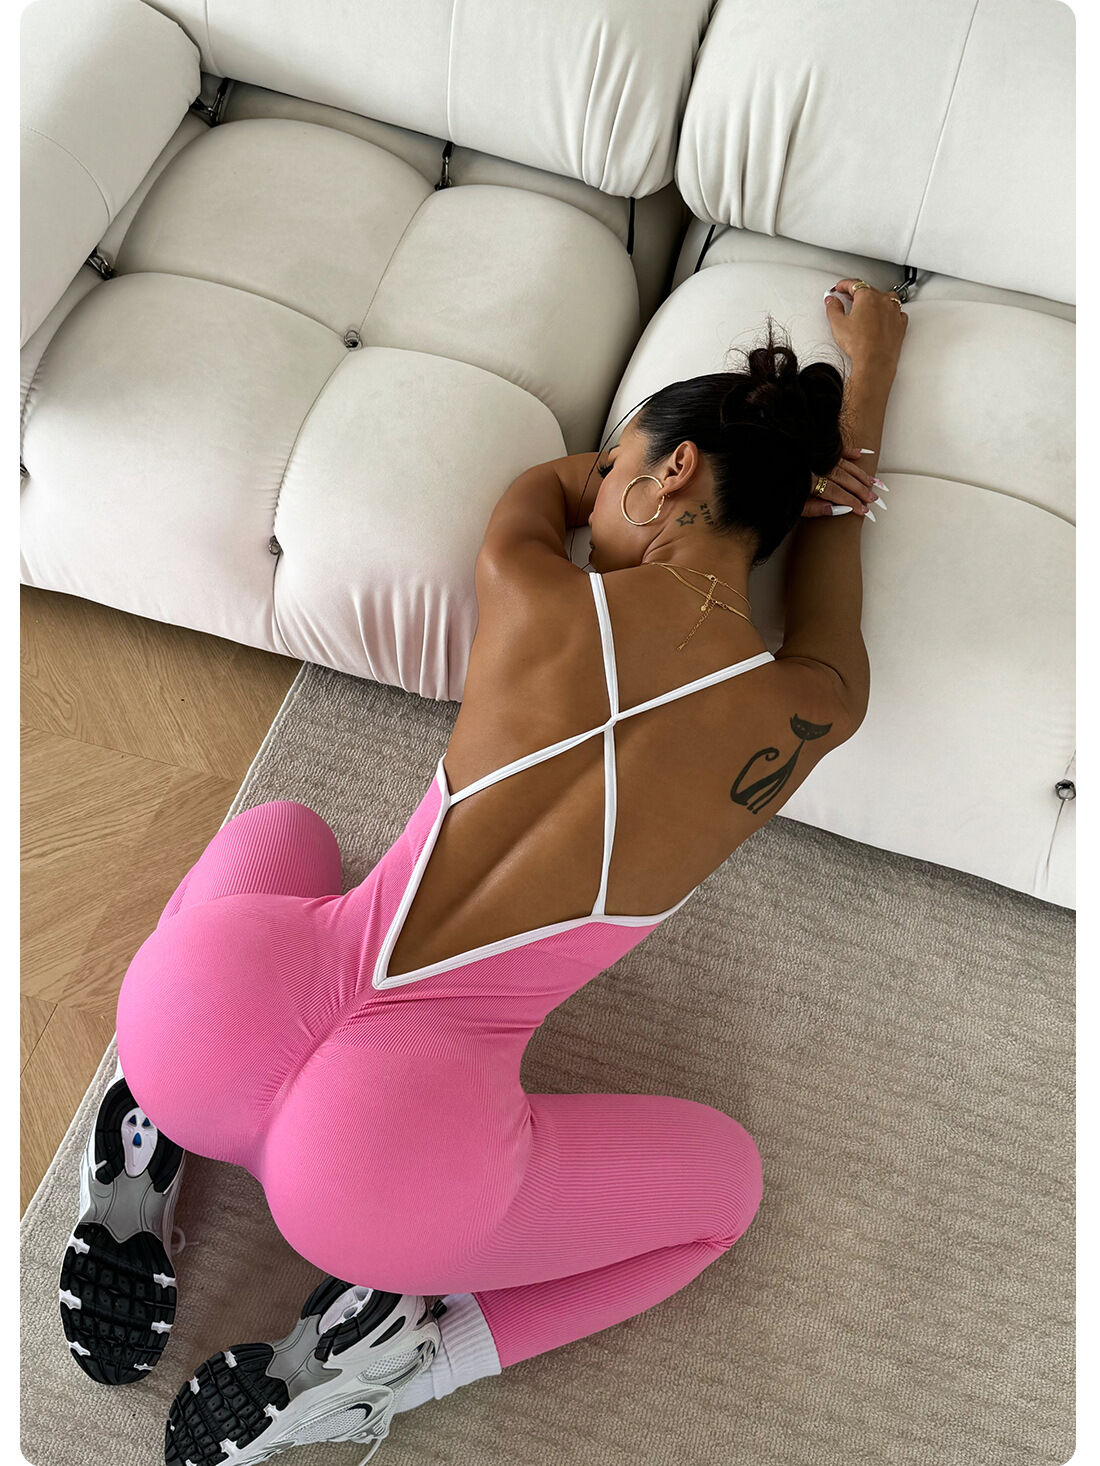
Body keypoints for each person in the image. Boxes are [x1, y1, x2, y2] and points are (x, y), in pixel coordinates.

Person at [85, 279, 906, 1463]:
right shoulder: (808, 708)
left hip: (201, 1020)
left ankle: (147, 1133)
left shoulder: (529, 583)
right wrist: (860, 394)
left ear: (671, 470)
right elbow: (828, 592)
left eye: (624, 462)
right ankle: (402, 1354)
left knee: (286, 827)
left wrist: (629, 472)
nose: (601, 485)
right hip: (384, 1174)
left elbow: (556, 488)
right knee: (724, 1193)